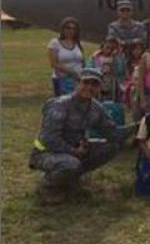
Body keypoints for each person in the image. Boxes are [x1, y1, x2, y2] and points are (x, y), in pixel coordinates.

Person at [29, 68, 122, 204]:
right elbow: (49, 139)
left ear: (99, 88)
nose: (89, 87)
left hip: (75, 150)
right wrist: (73, 151)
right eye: (85, 82)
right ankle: (48, 187)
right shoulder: (59, 105)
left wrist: (142, 125)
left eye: (94, 84)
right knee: (71, 164)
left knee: (111, 146)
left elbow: (112, 132)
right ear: (76, 84)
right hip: (45, 152)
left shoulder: (96, 108)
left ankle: (72, 178)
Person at [47, 17, 85, 96]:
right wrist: (71, 72)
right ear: (63, 29)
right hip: (62, 79)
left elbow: (82, 62)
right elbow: (53, 63)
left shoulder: (78, 43)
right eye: (68, 28)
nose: (71, 31)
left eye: (74, 29)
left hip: (77, 79)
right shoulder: (55, 43)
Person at [86, 36, 119, 102]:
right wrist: (100, 70)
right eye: (107, 47)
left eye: (112, 48)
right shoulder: (95, 57)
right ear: (103, 46)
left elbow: (118, 71)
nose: (109, 50)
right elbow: (89, 68)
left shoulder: (115, 59)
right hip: (97, 81)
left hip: (110, 83)